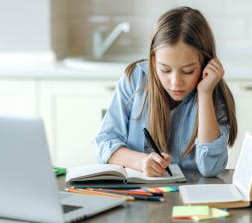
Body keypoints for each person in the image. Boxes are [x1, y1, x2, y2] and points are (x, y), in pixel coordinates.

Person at [94, 6, 237, 177]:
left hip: (192, 196)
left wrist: (205, 95)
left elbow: (211, 168)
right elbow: (104, 143)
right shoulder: (135, 79)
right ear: (153, 61)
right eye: (165, 70)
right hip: (142, 194)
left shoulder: (212, 92)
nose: (176, 82)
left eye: (188, 71)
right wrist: (140, 161)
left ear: (205, 63)